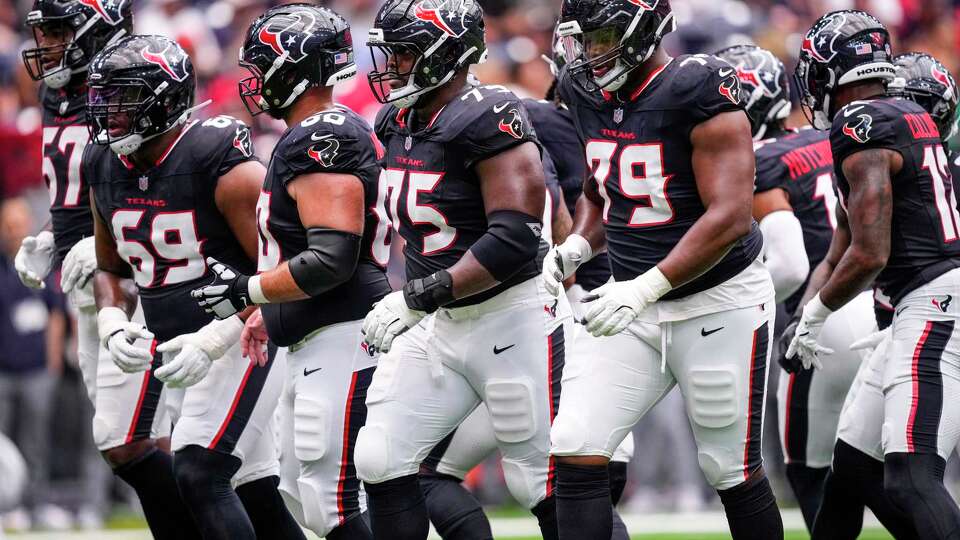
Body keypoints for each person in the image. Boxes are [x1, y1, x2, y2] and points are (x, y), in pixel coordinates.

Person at [544, 1, 782, 539]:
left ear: (641, 31)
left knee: (731, 470)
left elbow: (731, 217)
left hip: (718, 301)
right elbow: (602, 187)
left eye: (601, 38)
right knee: (576, 442)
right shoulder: (586, 92)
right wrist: (579, 244)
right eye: (583, 40)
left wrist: (648, 286)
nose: (588, 54)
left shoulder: (697, 88)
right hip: (631, 300)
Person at [355, 1, 569, 539]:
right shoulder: (398, 118)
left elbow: (515, 236)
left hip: (513, 316)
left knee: (540, 481)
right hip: (443, 321)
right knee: (381, 457)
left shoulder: (487, 113)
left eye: (403, 52)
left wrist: (413, 298)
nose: (391, 65)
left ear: (445, 53)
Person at [84, 35, 299, 540]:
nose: (108, 112)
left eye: (124, 97)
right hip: (171, 339)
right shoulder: (102, 164)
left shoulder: (218, 162)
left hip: (245, 336)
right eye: (105, 98)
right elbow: (111, 267)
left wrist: (217, 338)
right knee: (250, 487)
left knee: (201, 470)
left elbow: (284, 273)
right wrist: (112, 319)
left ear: (163, 98)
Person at [190, 4, 388, 539]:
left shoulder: (322, 136)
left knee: (334, 501)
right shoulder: (309, 134)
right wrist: (263, 305)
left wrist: (247, 290)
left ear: (293, 65)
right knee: (300, 490)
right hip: (316, 332)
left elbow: (331, 257)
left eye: (261, 64)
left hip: (343, 331)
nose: (252, 79)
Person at [15, 1, 190, 536]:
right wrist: (52, 235)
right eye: (40, 32)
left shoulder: (129, 85)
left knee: (142, 435)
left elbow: (157, 182)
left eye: (57, 30)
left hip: (133, 275)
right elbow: (79, 188)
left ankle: (213, 519)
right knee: (122, 436)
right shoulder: (56, 93)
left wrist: (110, 240)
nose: (45, 44)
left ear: (94, 26)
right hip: (86, 280)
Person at [788, 10, 960, 539]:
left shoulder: (861, 122)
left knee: (911, 477)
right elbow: (845, 238)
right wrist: (807, 310)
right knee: (855, 472)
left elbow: (869, 253)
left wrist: (815, 315)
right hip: (918, 301)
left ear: (833, 72)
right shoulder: (902, 114)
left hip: (934, 299)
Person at [715, 44, 877, 531]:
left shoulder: (762, 162)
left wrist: (728, 307)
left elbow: (788, 263)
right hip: (884, 305)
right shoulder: (826, 139)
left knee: (809, 471)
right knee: (872, 465)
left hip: (824, 315)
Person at [0, 198, 67, 529]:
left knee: (35, 442)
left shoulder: (41, 264)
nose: (14, 230)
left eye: (18, 223)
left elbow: (56, 313)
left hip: (37, 369)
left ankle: (35, 504)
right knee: (2, 445)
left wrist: (53, 362)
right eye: (8, 224)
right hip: (3, 371)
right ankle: (4, 507)